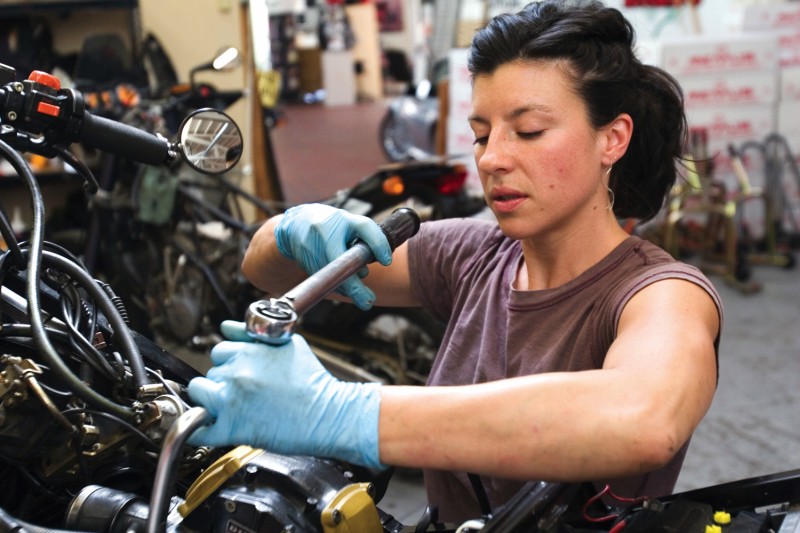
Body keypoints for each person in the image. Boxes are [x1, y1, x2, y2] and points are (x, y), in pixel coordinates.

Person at [187, 0, 723, 523]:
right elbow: (264, 271)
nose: (491, 159)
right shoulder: (470, 255)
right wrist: (287, 232)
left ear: (612, 139)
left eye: (529, 131)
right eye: (482, 135)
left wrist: (345, 412)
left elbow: (644, 420)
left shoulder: (663, 293)